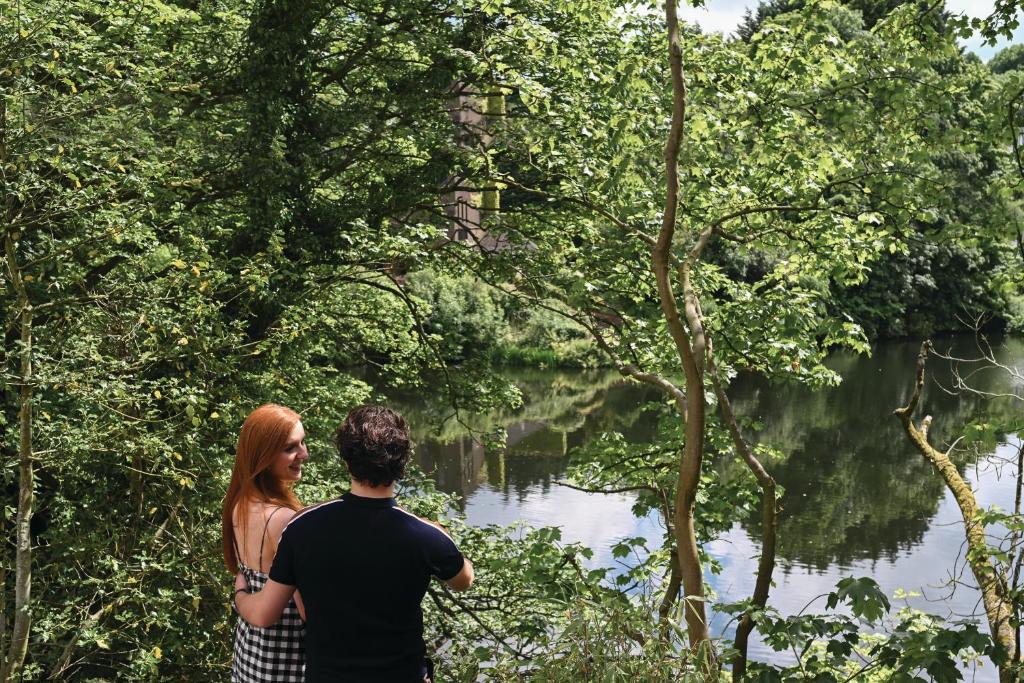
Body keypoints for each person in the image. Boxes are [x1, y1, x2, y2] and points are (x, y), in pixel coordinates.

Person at [234, 405, 473, 683]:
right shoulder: (425, 536)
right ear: (404, 461)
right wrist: (437, 534)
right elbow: (463, 580)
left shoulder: (301, 528)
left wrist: (239, 595)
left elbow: (271, 609)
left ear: (347, 460)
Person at [222, 403, 309, 682]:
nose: (303, 454)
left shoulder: (239, 504)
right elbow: (309, 609)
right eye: (290, 448)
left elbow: (245, 579)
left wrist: (240, 597)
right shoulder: (285, 520)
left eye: (302, 442)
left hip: (250, 656)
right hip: (286, 665)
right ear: (263, 456)